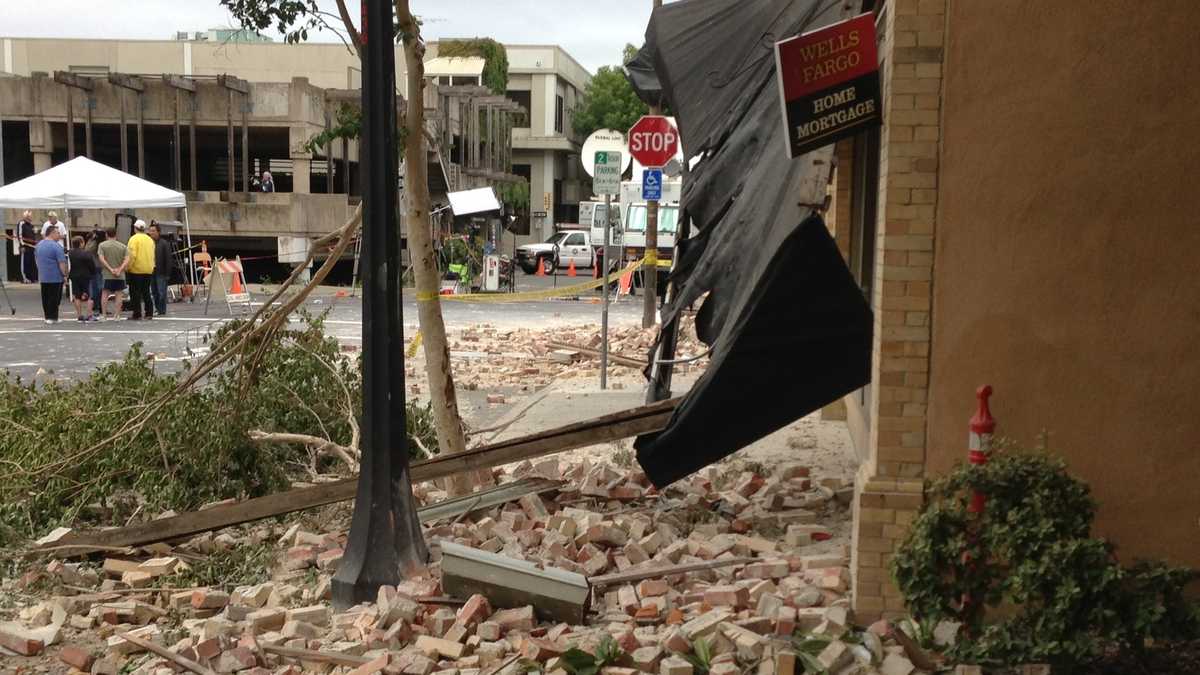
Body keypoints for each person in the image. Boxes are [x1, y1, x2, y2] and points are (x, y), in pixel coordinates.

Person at [34, 227, 67, 324]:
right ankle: (53, 317)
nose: (59, 236)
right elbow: (61, 263)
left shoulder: (38, 245)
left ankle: (47, 316)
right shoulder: (57, 247)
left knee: (46, 297)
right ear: (52, 233)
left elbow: (36, 259)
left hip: (43, 276)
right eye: (57, 233)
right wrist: (64, 275)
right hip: (55, 277)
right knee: (55, 298)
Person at [125, 219, 156, 320]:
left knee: (135, 293)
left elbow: (132, 255)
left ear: (135, 228)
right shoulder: (150, 239)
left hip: (136, 270)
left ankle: (137, 313)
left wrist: (128, 267)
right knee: (146, 292)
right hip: (148, 269)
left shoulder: (133, 239)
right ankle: (149, 313)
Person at [97, 226, 129, 321]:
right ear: (116, 234)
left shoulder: (102, 245)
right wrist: (119, 269)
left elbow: (101, 258)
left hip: (107, 274)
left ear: (107, 234)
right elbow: (127, 259)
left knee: (105, 294)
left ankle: (104, 315)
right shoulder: (123, 246)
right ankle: (117, 315)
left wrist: (110, 269)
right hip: (120, 275)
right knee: (119, 295)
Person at [66, 235, 98, 322]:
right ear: (81, 243)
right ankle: (89, 314)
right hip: (86, 276)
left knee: (77, 296)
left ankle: (79, 315)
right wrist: (93, 272)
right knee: (89, 296)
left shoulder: (71, 253)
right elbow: (92, 265)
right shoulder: (86, 254)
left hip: (74, 275)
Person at [149, 222, 175, 316]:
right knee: (154, 291)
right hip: (151, 270)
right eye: (150, 231)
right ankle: (157, 309)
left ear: (158, 232)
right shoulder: (148, 242)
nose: (151, 233)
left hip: (161, 271)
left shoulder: (164, 243)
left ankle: (161, 310)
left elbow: (168, 259)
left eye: (153, 231)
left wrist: (168, 273)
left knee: (161, 292)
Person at [85, 228, 105, 315]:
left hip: (94, 266)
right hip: (101, 266)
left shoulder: (94, 243)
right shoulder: (103, 243)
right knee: (100, 286)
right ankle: (100, 306)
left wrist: (91, 239)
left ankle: (96, 305)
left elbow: (87, 250)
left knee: (94, 287)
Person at [18, 211, 38, 283]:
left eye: (31, 217)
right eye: (29, 217)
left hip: (32, 246)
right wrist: (22, 245)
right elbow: (19, 235)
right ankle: (24, 278)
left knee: (32, 262)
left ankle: (32, 278)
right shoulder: (21, 224)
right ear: (25, 217)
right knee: (25, 262)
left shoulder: (32, 225)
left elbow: (34, 236)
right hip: (25, 246)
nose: (30, 218)